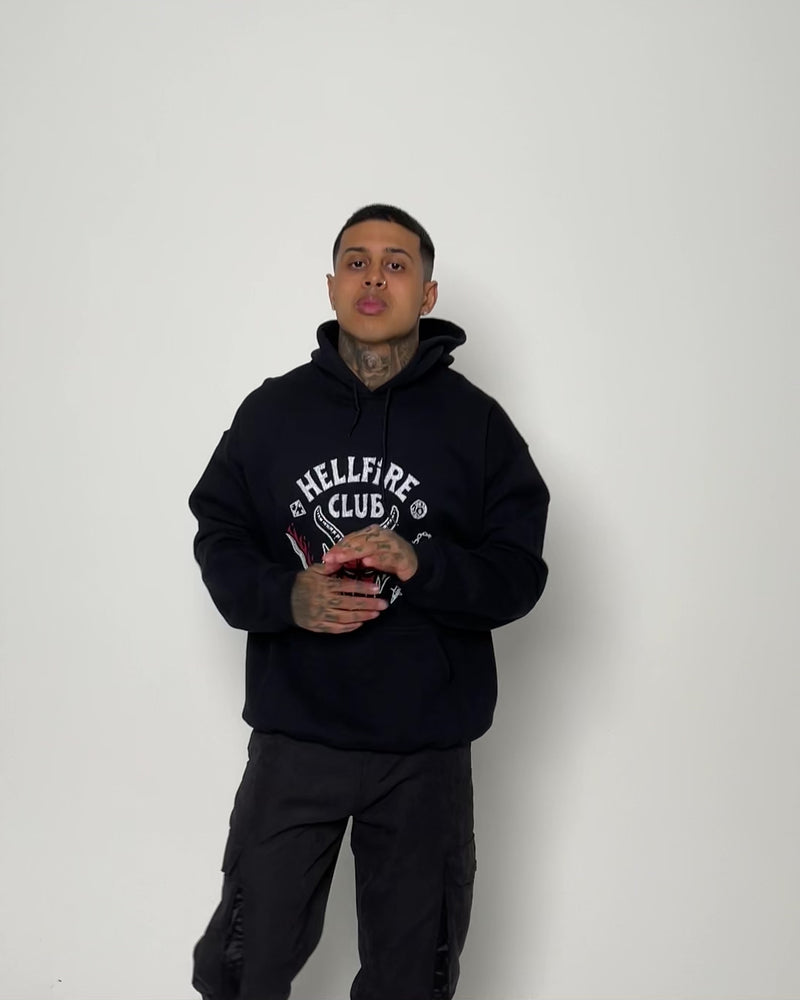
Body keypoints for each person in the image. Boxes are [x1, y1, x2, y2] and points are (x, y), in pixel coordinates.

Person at [188, 204, 549, 1000]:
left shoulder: (478, 427)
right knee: (243, 966)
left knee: (411, 980)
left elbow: (520, 574)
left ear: (427, 294)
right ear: (331, 286)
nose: (374, 277)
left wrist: (423, 564)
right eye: (356, 262)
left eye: (396, 263)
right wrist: (286, 595)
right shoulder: (271, 415)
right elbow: (218, 534)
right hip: (297, 738)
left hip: (424, 751)